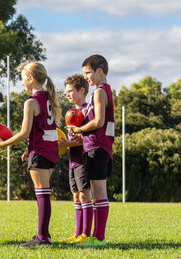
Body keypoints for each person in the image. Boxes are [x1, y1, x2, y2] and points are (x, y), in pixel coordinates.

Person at [0, 61, 62, 247]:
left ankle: (42, 237)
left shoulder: (31, 102)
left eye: (23, 79)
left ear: (31, 78)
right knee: (45, 193)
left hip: (40, 152)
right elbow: (44, 130)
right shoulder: (49, 98)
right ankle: (44, 235)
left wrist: (3, 143)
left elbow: (24, 133)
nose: (22, 83)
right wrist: (29, 149)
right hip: (50, 151)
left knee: (42, 194)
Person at [67, 54, 114, 247]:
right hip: (98, 145)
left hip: (97, 146)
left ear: (99, 71)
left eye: (88, 73)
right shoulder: (106, 90)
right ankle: (95, 236)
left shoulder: (99, 91)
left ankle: (98, 238)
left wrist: (79, 129)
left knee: (99, 193)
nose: (86, 77)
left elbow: (99, 121)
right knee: (96, 193)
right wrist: (83, 135)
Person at [57, 74, 93, 244]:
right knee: (76, 195)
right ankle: (77, 233)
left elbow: (84, 139)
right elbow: (73, 140)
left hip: (84, 159)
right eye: (67, 92)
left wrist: (68, 142)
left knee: (85, 195)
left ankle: (86, 234)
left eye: (71, 91)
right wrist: (64, 144)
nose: (68, 94)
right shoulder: (70, 112)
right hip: (73, 160)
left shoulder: (86, 110)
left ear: (82, 90)